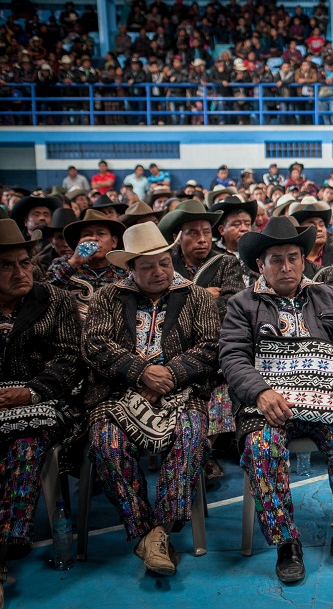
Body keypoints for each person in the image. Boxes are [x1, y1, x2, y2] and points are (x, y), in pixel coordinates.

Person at [219, 217, 333, 582]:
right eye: (276, 259)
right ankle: (286, 542)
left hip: (328, 398)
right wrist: (260, 392)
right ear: (261, 265)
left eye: (293, 257)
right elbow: (233, 357)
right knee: (261, 446)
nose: (285, 267)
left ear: (304, 260)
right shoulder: (243, 304)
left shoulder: (329, 296)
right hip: (270, 403)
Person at [82, 222, 220, 577]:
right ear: (131, 270)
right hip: (118, 393)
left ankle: (160, 530)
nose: (159, 272)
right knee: (107, 443)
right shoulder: (106, 297)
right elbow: (94, 345)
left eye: (164, 263)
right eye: (147, 267)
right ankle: (146, 531)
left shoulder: (197, 297)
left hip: (181, 390)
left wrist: (168, 374)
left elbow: (210, 347)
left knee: (190, 436)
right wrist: (140, 371)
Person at [0, 220, 83, 606]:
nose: (21, 272)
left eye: (24, 262)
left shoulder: (55, 300)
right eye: (7, 265)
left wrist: (31, 391)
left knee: (27, 441)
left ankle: (6, 542)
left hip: (43, 402)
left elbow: (70, 360)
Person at [158, 200, 245, 481]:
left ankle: (204, 452)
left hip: (213, 345)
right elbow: (158, 306)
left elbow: (234, 303)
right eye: (193, 233)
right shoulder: (163, 262)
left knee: (222, 377)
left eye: (206, 231)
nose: (202, 239)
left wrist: (183, 299)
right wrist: (203, 294)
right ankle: (191, 453)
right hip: (168, 349)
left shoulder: (226, 261)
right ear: (177, 237)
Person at [45, 210, 127, 318]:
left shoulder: (124, 269)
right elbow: (44, 293)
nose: (94, 239)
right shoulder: (63, 263)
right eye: (87, 235)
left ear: (114, 242)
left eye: (101, 233)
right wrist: (74, 263)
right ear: (78, 243)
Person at [210, 195, 257, 285]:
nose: (244, 228)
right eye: (236, 224)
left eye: (247, 224)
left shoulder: (257, 252)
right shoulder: (211, 253)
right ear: (222, 230)